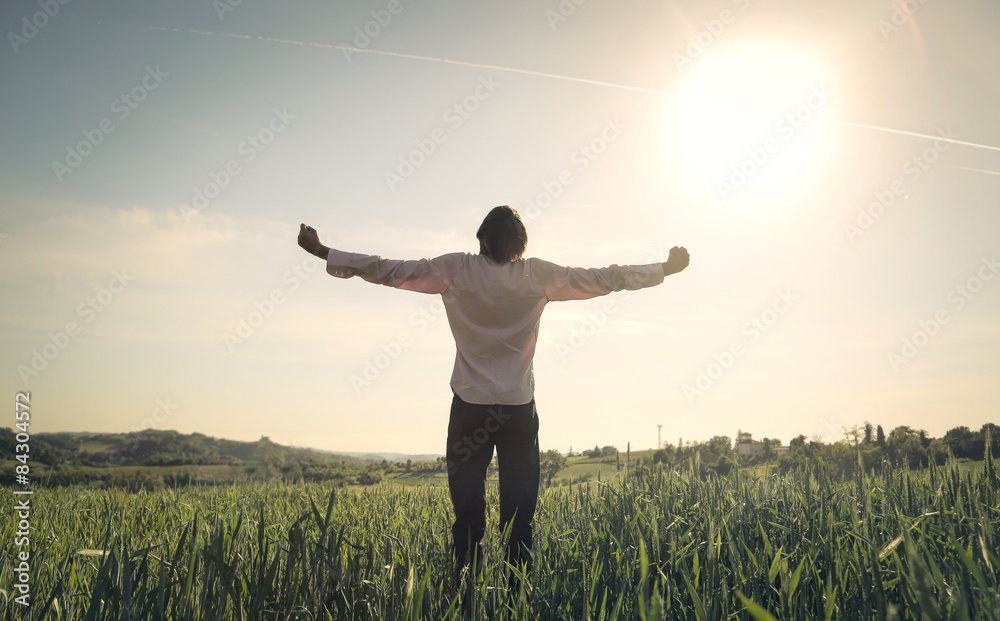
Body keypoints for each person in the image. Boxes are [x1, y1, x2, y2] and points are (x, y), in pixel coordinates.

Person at [296, 205, 690, 594]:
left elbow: (390, 269)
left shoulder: (456, 269)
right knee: (519, 511)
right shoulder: (538, 275)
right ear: (520, 244)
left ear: (481, 238)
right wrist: (663, 269)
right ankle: (515, 593)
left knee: (468, 509)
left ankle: (466, 588)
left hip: (470, 407)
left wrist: (324, 252)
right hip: (517, 409)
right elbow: (605, 278)